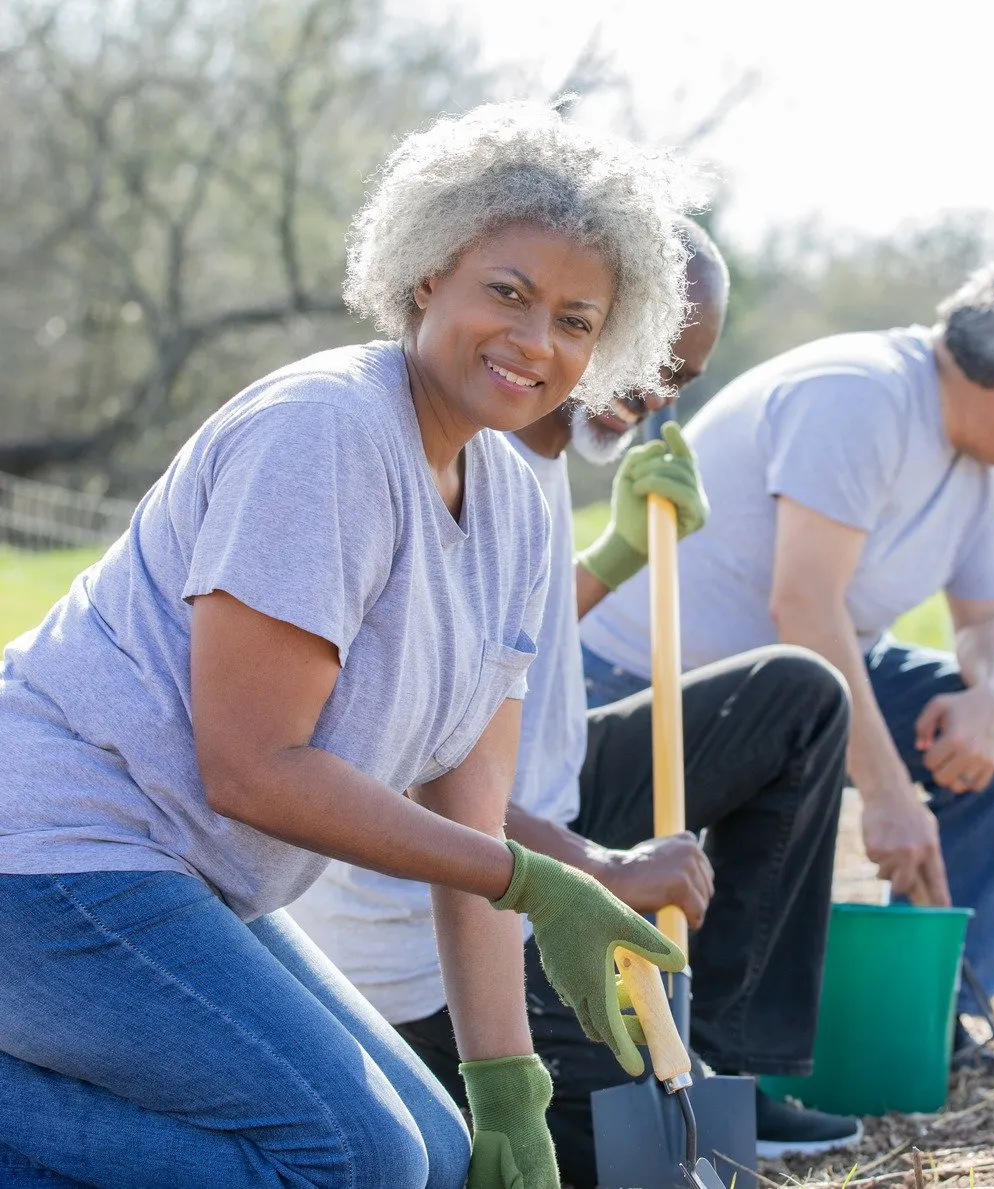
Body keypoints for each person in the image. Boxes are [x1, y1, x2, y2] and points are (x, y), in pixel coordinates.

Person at [0, 100, 698, 1189]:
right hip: (46, 846)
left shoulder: (514, 506)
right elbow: (253, 766)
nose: (535, 341)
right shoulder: (323, 431)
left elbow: (463, 815)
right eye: (506, 293)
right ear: (429, 276)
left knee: (425, 1154)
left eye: (575, 319)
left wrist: (508, 1089)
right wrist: (546, 883)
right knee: (350, 1157)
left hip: (178, 876)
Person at [290, 220, 861, 1186]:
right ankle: (660, 1063)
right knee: (662, 1152)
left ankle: (728, 1053)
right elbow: (418, 762)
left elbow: (513, 653)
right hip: (437, 899)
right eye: (648, 356)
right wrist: (597, 870)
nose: (656, 392)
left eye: (681, 369)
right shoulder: (468, 443)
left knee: (795, 696)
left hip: (543, 787)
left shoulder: (535, 461)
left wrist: (614, 559)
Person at [578, 251, 994, 1060]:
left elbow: (993, 619)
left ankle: (936, 1013)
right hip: (650, 682)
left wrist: (992, 696)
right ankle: (753, 1043)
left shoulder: (984, 462)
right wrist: (886, 793)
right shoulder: (862, 395)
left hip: (804, 679)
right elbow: (803, 606)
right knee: (814, 704)